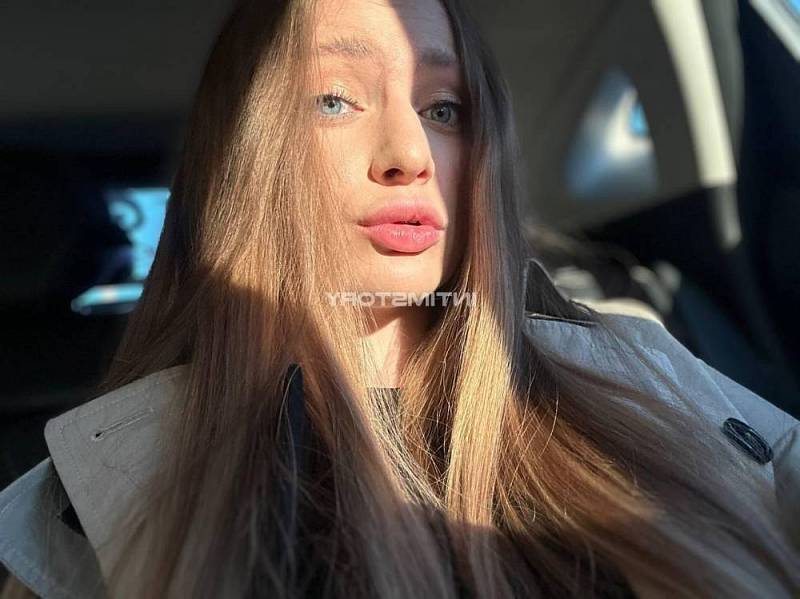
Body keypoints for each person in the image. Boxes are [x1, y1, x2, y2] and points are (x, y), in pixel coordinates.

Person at [1, 0, 799, 597]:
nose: (409, 154)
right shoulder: (88, 497)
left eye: (442, 109)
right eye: (334, 100)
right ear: (246, 155)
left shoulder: (641, 368)